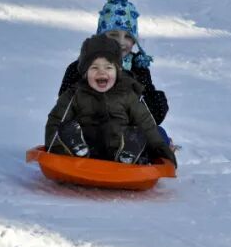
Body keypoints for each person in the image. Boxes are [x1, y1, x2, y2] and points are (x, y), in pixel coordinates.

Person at [46, 34, 176, 166]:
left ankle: (128, 156)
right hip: (87, 148)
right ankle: (77, 149)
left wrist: (161, 150)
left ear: (118, 71)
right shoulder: (74, 94)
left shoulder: (127, 93)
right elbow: (56, 120)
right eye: (94, 68)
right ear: (85, 73)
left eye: (108, 67)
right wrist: (55, 148)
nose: (101, 73)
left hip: (118, 146)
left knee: (138, 134)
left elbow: (146, 124)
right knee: (67, 128)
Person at [57, 0, 170, 127]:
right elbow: (65, 105)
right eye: (113, 35)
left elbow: (151, 110)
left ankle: (131, 146)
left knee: (159, 132)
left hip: (127, 129)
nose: (121, 42)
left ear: (135, 42)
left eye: (128, 37)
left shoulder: (138, 69)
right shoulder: (80, 67)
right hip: (89, 129)